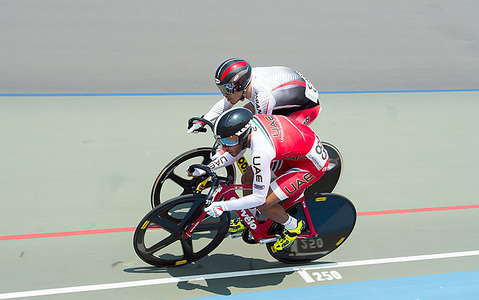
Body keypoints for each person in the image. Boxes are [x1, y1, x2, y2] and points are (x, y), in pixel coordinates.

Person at [188, 107, 329, 251]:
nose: (224, 146)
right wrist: (208, 167)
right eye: (221, 141)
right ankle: (251, 217)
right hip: (292, 151)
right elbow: (236, 150)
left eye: (228, 141)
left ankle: (293, 226)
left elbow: (258, 199)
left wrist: (222, 206)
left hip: (310, 165)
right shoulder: (250, 124)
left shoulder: (261, 153)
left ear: (242, 135)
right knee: (248, 177)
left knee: (265, 204)